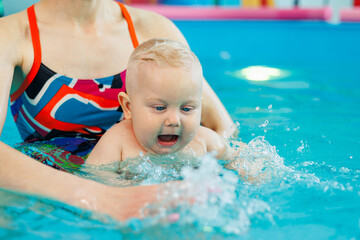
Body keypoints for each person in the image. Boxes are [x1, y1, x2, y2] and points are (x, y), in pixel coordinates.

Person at [0, 0, 234, 220]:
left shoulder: (152, 29)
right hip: (59, 201)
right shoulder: (11, 35)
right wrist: (104, 198)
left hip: (151, 181)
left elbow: (221, 127)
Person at [87, 38, 233, 165]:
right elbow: (95, 184)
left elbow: (240, 163)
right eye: (159, 108)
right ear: (128, 108)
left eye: (187, 109)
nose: (174, 120)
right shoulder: (117, 143)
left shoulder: (206, 142)